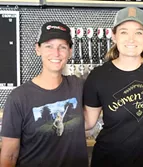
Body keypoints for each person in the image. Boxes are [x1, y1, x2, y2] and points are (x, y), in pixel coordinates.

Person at [83, 7, 143, 167]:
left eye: (138, 32)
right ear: (114, 36)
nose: (131, 39)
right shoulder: (98, 76)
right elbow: (88, 122)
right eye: (123, 32)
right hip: (109, 160)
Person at [0, 21, 88, 167]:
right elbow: (9, 154)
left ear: (70, 51)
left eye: (62, 47)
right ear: (38, 49)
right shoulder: (18, 98)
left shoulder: (79, 86)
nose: (56, 53)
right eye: (49, 46)